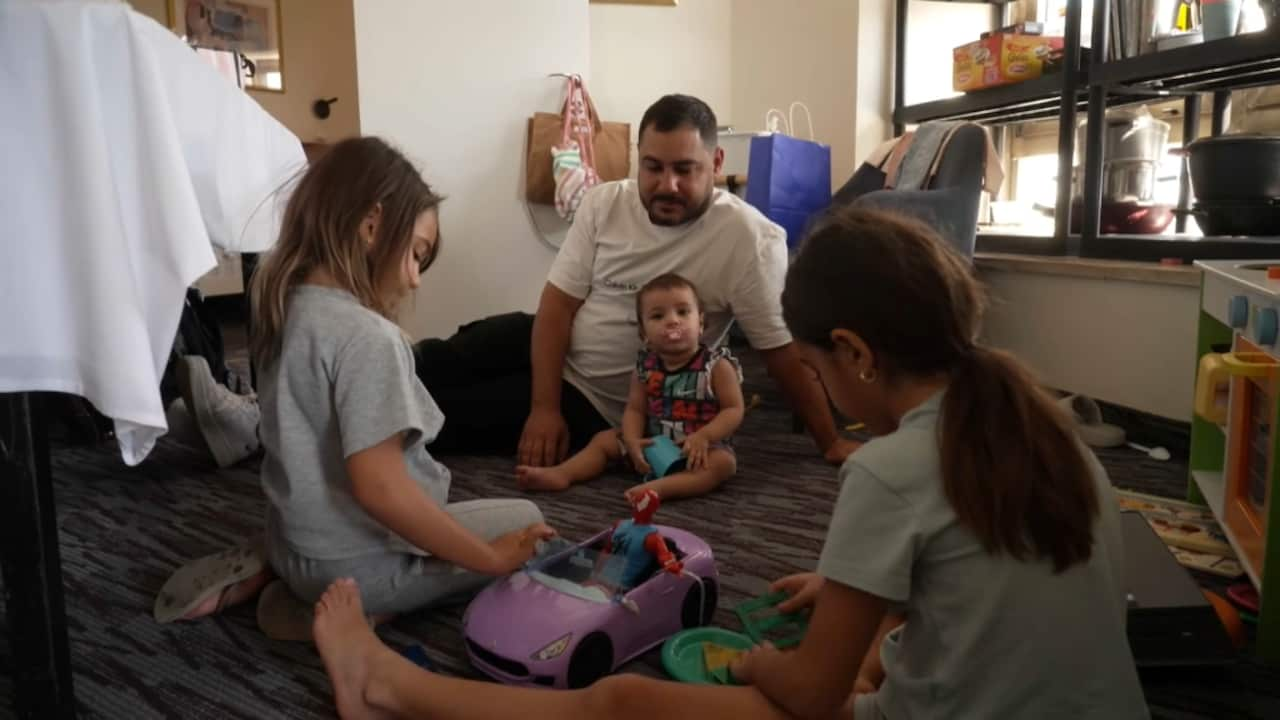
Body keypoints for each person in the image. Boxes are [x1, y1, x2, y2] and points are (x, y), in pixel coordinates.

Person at [305, 207, 1149, 719]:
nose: (811, 380)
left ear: (852, 354)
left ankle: (388, 690)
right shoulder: (1048, 431)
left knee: (622, 702)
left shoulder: (887, 472)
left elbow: (812, 697)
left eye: (813, 366)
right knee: (870, 648)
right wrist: (875, 595)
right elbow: (992, 572)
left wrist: (752, 663)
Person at [178, 94, 858, 470]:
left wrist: (830, 441)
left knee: (436, 420)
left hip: (600, 398)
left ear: (715, 163)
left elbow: (778, 352)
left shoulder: (747, 240)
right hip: (548, 343)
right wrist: (541, 403)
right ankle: (258, 413)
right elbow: (557, 306)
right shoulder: (607, 201)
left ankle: (264, 434)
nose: (667, 185)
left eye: (684, 170)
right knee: (433, 359)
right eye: (653, 167)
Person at [160, 137, 554, 631]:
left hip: (293, 541)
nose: (415, 280)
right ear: (371, 227)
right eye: (416, 254)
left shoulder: (281, 308)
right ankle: (352, 610)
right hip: (355, 565)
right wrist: (489, 559)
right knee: (525, 520)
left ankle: (280, 572)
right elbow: (381, 489)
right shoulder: (370, 339)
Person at [515, 273, 743, 501]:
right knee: (604, 440)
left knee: (723, 464)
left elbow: (733, 410)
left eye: (683, 312)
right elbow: (635, 409)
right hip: (653, 442)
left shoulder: (717, 367)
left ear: (701, 323)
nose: (673, 321)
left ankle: (660, 489)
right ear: (644, 334)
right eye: (658, 316)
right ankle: (563, 473)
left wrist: (704, 437)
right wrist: (633, 440)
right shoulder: (645, 368)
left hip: (699, 449)